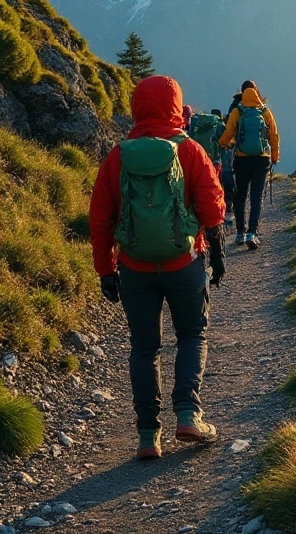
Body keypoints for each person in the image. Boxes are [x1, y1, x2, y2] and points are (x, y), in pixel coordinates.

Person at [88, 75, 227, 460]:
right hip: (185, 263)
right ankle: (188, 415)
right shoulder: (190, 151)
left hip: (135, 269)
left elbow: (100, 219)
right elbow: (213, 208)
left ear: (137, 107)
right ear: (176, 107)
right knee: (191, 336)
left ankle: (149, 436)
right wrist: (215, 254)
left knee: (144, 349)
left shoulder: (117, 156)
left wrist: (105, 270)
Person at [218, 80, 279, 249]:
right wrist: (274, 157)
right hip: (262, 159)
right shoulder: (265, 111)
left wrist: (222, 144)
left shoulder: (238, 111)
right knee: (256, 196)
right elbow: (273, 135)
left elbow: (228, 133)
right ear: (257, 93)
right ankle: (252, 233)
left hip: (242, 159)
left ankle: (240, 233)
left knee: (240, 196)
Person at [211, 108, 236, 227]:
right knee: (227, 185)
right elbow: (229, 143)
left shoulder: (202, 129)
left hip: (208, 163)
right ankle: (227, 212)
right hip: (222, 163)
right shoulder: (221, 126)